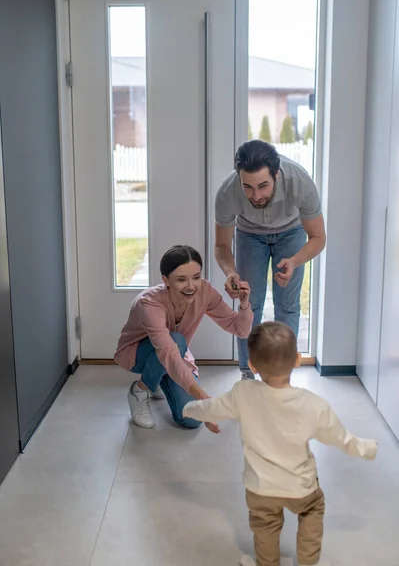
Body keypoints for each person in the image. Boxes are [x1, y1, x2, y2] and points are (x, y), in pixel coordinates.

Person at [183, 321, 377, 566]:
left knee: (265, 528)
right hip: (302, 487)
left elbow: (211, 408)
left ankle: (267, 563)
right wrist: (365, 448)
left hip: (260, 488)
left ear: (252, 365)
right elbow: (338, 436)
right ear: (297, 360)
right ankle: (307, 561)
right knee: (312, 511)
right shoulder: (313, 404)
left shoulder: (242, 393)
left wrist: (189, 409)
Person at [214, 139, 326, 379]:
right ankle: (247, 372)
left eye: (263, 186)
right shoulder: (228, 192)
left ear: (276, 173)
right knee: (249, 302)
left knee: (287, 304)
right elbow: (222, 245)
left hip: (291, 230)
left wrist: (294, 261)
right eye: (248, 187)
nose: (256, 195)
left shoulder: (300, 182)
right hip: (249, 233)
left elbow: (318, 237)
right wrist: (230, 273)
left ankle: (281, 374)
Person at [114, 245, 253, 430]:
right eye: (181, 280)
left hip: (172, 354)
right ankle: (140, 390)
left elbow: (240, 330)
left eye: (196, 277)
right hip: (138, 354)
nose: (191, 286)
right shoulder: (149, 304)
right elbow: (168, 351)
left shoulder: (204, 291)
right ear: (166, 280)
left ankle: (156, 377)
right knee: (177, 341)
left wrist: (244, 304)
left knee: (192, 420)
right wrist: (203, 397)